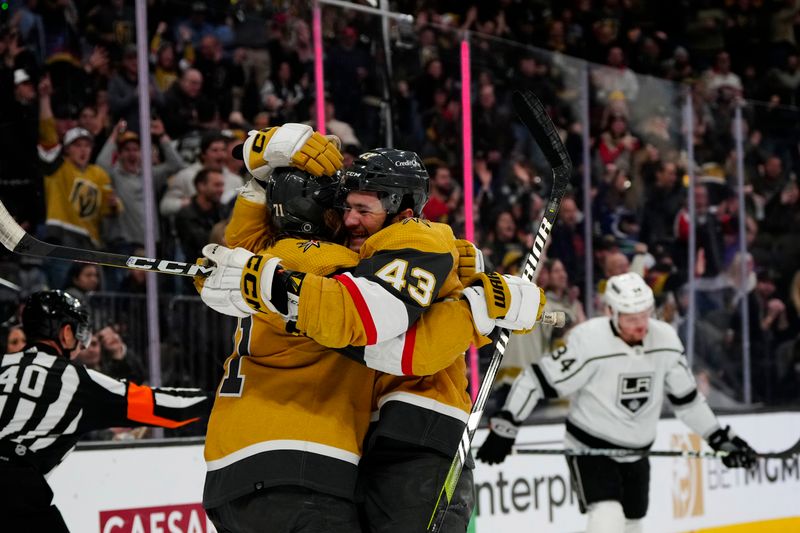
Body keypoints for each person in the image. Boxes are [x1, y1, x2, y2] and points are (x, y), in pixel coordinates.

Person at [197, 125, 544, 533]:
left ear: (404, 212)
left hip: (241, 465)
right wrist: (478, 310)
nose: (349, 219)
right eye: (344, 207)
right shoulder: (339, 265)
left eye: (363, 209)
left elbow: (391, 341)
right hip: (314, 459)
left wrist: (259, 166)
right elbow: (397, 345)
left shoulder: (280, 254)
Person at [476, 272, 757, 533]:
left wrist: (719, 438)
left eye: (645, 315)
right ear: (611, 311)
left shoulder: (666, 340)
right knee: (606, 518)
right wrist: (507, 425)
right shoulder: (589, 341)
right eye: (631, 317)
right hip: (591, 449)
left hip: (638, 452)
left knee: (633, 525)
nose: (641, 325)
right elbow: (534, 380)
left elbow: (688, 401)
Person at [0, 290, 210, 533]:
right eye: (77, 332)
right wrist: (217, 400)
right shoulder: (76, 380)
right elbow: (165, 408)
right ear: (65, 333)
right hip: (15, 489)